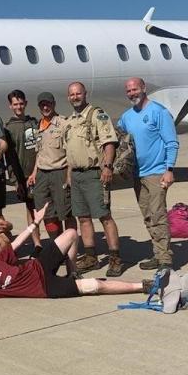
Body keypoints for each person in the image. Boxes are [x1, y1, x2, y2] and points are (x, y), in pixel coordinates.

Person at [0, 202, 154, 307]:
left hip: (38, 265)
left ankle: (72, 269)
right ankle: (142, 286)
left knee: (71, 234)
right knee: (95, 285)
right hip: (45, 287)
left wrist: (36, 224)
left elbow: (18, 243)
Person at [117, 77, 180, 273]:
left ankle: (165, 259)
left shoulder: (158, 112)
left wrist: (169, 170)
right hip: (138, 174)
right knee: (147, 216)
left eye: (135, 89)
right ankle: (158, 253)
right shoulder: (127, 117)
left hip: (156, 173)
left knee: (158, 214)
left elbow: (172, 142)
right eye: (128, 91)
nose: (132, 93)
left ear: (144, 88)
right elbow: (118, 135)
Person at [63, 82, 124, 276]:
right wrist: (69, 175)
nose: (75, 97)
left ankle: (115, 258)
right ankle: (91, 257)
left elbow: (109, 143)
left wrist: (107, 166)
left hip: (94, 173)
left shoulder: (97, 115)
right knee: (83, 218)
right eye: (72, 94)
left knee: (104, 216)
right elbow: (71, 152)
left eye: (78, 93)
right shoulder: (71, 120)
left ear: (85, 94)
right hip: (77, 175)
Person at [27, 92, 76, 247]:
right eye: (42, 105)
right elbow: (39, 153)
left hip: (59, 172)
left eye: (48, 104)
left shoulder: (63, 123)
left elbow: (70, 153)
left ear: (54, 104)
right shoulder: (38, 126)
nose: (45, 107)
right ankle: (58, 245)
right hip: (42, 174)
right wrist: (34, 173)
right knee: (46, 213)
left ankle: (70, 244)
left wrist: (69, 176)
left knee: (66, 212)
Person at [5, 89, 42, 255]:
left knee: (47, 209)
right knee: (31, 209)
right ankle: (37, 243)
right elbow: (10, 158)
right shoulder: (9, 128)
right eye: (15, 104)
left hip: (42, 172)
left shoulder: (34, 123)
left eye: (21, 103)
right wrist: (15, 180)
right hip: (25, 176)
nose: (19, 107)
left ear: (25, 103)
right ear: (10, 106)